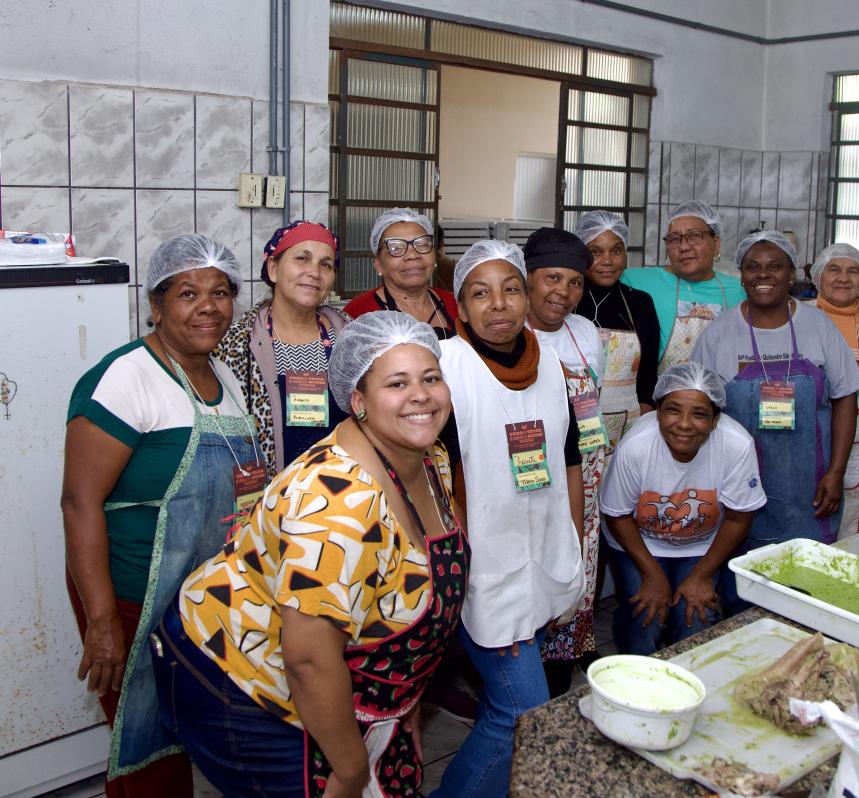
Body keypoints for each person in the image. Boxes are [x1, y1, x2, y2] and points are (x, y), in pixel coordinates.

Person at [153, 312, 465, 798]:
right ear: (357, 401)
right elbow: (309, 660)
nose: (420, 395)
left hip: (342, 676)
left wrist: (403, 703)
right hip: (239, 676)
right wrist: (349, 769)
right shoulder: (337, 502)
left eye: (430, 378)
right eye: (397, 383)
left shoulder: (431, 462)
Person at [61, 234, 256, 795]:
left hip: (198, 600)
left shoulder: (229, 380)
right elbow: (79, 502)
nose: (208, 307)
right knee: (146, 744)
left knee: (181, 731)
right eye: (188, 293)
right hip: (131, 595)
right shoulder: (126, 376)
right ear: (155, 304)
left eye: (220, 293)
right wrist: (101, 623)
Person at [433, 240, 584, 797]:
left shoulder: (549, 363)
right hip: (481, 565)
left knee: (518, 706)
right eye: (480, 293)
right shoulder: (444, 367)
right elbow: (433, 476)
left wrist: (573, 540)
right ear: (461, 307)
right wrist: (458, 564)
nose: (498, 305)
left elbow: (568, 459)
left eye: (511, 289)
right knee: (521, 710)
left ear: (526, 296)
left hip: (543, 550)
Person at [693, 231, 859, 612]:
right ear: (741, 274)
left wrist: (836, 471)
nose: (763, 275)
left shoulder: (818, 326)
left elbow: (845, 397)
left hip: (810, 486)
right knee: (742, 588)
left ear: (792, 275)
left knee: (807, 593)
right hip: (737, 489)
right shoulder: (720, 331)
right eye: (753, 266)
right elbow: (699, 405)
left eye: (774, 266)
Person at [599, 362, 765, 655]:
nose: (685, 424)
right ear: (658, 412)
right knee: (646, 616)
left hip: (703, 545)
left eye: (699, 414)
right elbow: (618, 514)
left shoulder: (736, 444)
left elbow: (740, 517)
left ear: (715, 419)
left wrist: (701, 577)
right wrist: (652, 576)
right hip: (639, 541)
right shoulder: (636, 446)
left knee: (695, 618)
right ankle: (637, 679)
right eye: (673, 410)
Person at [521, 226, 605, 696]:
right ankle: (523, 685)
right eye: (553, 278)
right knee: (535, 579)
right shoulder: (510, 333)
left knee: (576, 574)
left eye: (575, 282)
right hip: (534, 480)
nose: (564, 292)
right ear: (528, 279)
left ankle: (555, 684)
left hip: (585, 481)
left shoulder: (586, 332)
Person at [214, 220, 350, 477]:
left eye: (326, 264)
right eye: (302, 258)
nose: (314, 272)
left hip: (342, 491)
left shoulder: (350, 338)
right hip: (269, 496)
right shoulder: (238, 343)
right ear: (273, 268)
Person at [808, 243, 859, 537]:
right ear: (818, 276)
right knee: (812, 513)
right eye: (834, 269)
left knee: (853, 528)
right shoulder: (797, 316)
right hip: (812, 436)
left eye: (852, 271)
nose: (843, 277)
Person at [622, 200, 745, 373]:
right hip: (660, 397)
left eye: (694, 236)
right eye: (674, 239)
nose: (684, 246)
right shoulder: (636, 281)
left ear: (716, 243)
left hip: (724, 396)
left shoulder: (740, 291)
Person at [573, 210, 660, 446]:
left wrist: (640, 428)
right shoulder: (566, 301)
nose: (608, 261)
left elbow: (648, 374)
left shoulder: (640, 303)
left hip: (628, 428)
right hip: (571, 427)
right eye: (595, 251)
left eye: (616, 250)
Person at [343, 208, 458, 339]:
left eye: (422, 245)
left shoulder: (457, 306)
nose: (413, 255)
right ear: (379, 265)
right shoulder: (358, 313)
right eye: (396, 248)